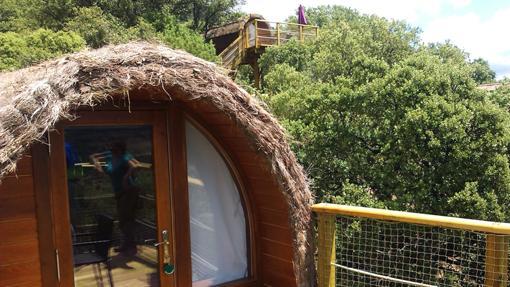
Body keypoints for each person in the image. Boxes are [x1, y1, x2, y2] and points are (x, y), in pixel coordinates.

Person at [90, 141, 141, 255]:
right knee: (123, 219)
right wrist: (96, 163)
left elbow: (135, 165)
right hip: (119, 191)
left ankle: (131, 246)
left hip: (128, 191)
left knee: (125, 219)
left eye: (115, 149)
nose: (113, 151)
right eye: (112, 148)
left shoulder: (124, 157)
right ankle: (127, 245)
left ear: (121, 149)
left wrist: (126, 177)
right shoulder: (110, 155)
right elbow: (94, 157)